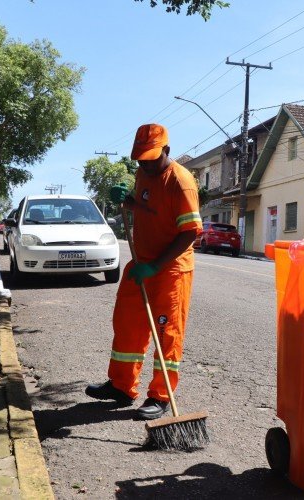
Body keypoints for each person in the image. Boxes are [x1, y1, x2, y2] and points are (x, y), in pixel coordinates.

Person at [85, 123, 202, 420]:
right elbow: (149, 207)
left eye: (150, 158)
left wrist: (156, 266)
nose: (144, 164)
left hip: (169, 269)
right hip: (141, 263)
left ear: (167, 150)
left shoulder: (181, 182)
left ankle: (161, 396)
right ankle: (122, 386)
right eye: (140, 158)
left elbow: (189, 233)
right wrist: (128, 201)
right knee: (127, 324)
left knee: (167, 333)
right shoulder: (143, 172)